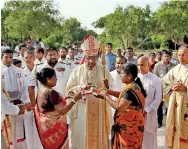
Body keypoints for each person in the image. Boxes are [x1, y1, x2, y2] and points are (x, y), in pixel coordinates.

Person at [65, 34, 114, 149]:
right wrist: (81, 88)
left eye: (94, 57)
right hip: (82, 109)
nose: (91, 61)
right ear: (84, 57)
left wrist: (108, 86)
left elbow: (110, 89)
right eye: (89, 58)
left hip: (99, 108)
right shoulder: (77, 71)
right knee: (82, 139)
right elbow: (68, 90)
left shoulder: (103, 69)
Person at [97, 63, 146, 149]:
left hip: (130, 126)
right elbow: (123, 96)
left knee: (129, 146)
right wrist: (109, 92)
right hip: (134, 122)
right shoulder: (133, 85)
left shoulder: (130, 89)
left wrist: (106, 97)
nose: (120, 75)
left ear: (129, 76)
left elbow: (119, 107)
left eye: (122, 73)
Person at [34, 68, 82, 149]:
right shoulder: (51, 92)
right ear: (48, 79)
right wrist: (75, 99)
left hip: (45, 128)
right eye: (54, 76)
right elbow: (62, 111)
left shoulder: (41, 90)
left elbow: (49, 105)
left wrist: (65, 98)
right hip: (54, 128)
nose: (56, 78)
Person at [1, 49, 32, 149]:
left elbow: (24, 89)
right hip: (5, 107)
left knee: (20, 135)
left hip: (19, 105)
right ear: (1, 57)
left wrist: (23, 102)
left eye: (11, 57)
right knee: (8, 136)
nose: (9, 60)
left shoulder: (19, 71)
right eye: (6, 57)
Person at [162, 45, 188, 149]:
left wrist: (186, 89)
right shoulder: (175, 69)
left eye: (184, 54)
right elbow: (164, 84)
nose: (181, 57)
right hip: (175, 107)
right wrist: (172, 87)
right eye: (179, 54)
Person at [137, 56, 162, 149]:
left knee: (149, 139)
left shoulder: (156, 80)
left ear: (148, 65)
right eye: (138, 65)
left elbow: (158, 98)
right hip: (136, 114)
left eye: (142, 65)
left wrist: (146, 110)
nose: (140, 67)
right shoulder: (135, 79)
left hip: (150, 114)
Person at [154, 50, 175, 127]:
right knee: (159, 105)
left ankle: (169, 121)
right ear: (162, 57)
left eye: (168, 57)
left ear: (170, 57)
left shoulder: (173, 66)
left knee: (169, 105)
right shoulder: (157, 65)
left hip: (170, 90)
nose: (166, 58)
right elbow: (155, 77)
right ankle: (159, 122)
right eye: (165, 56)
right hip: (160, 88)